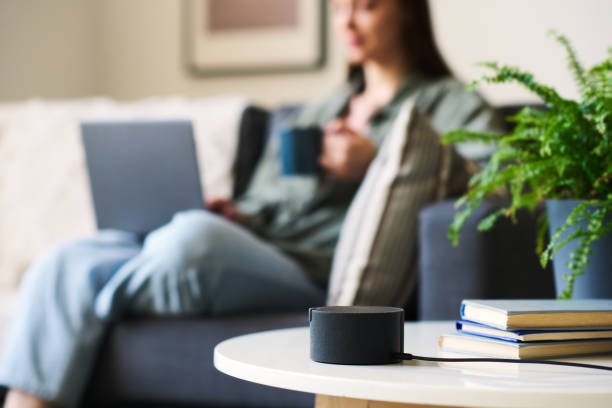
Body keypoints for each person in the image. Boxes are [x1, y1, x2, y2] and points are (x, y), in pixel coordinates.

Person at [0, 0, 502, 407]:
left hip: (306, 269)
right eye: (338, 8)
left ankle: (92, 300)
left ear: (408, 12)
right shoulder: (317, 111)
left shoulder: (452, 104)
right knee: (67, 257)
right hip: (250, 247)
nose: (347, 20)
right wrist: (239, 212)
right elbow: (261, 197)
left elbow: (499, 183)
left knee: (190, 241)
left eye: (366, 6)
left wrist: (372, 162)